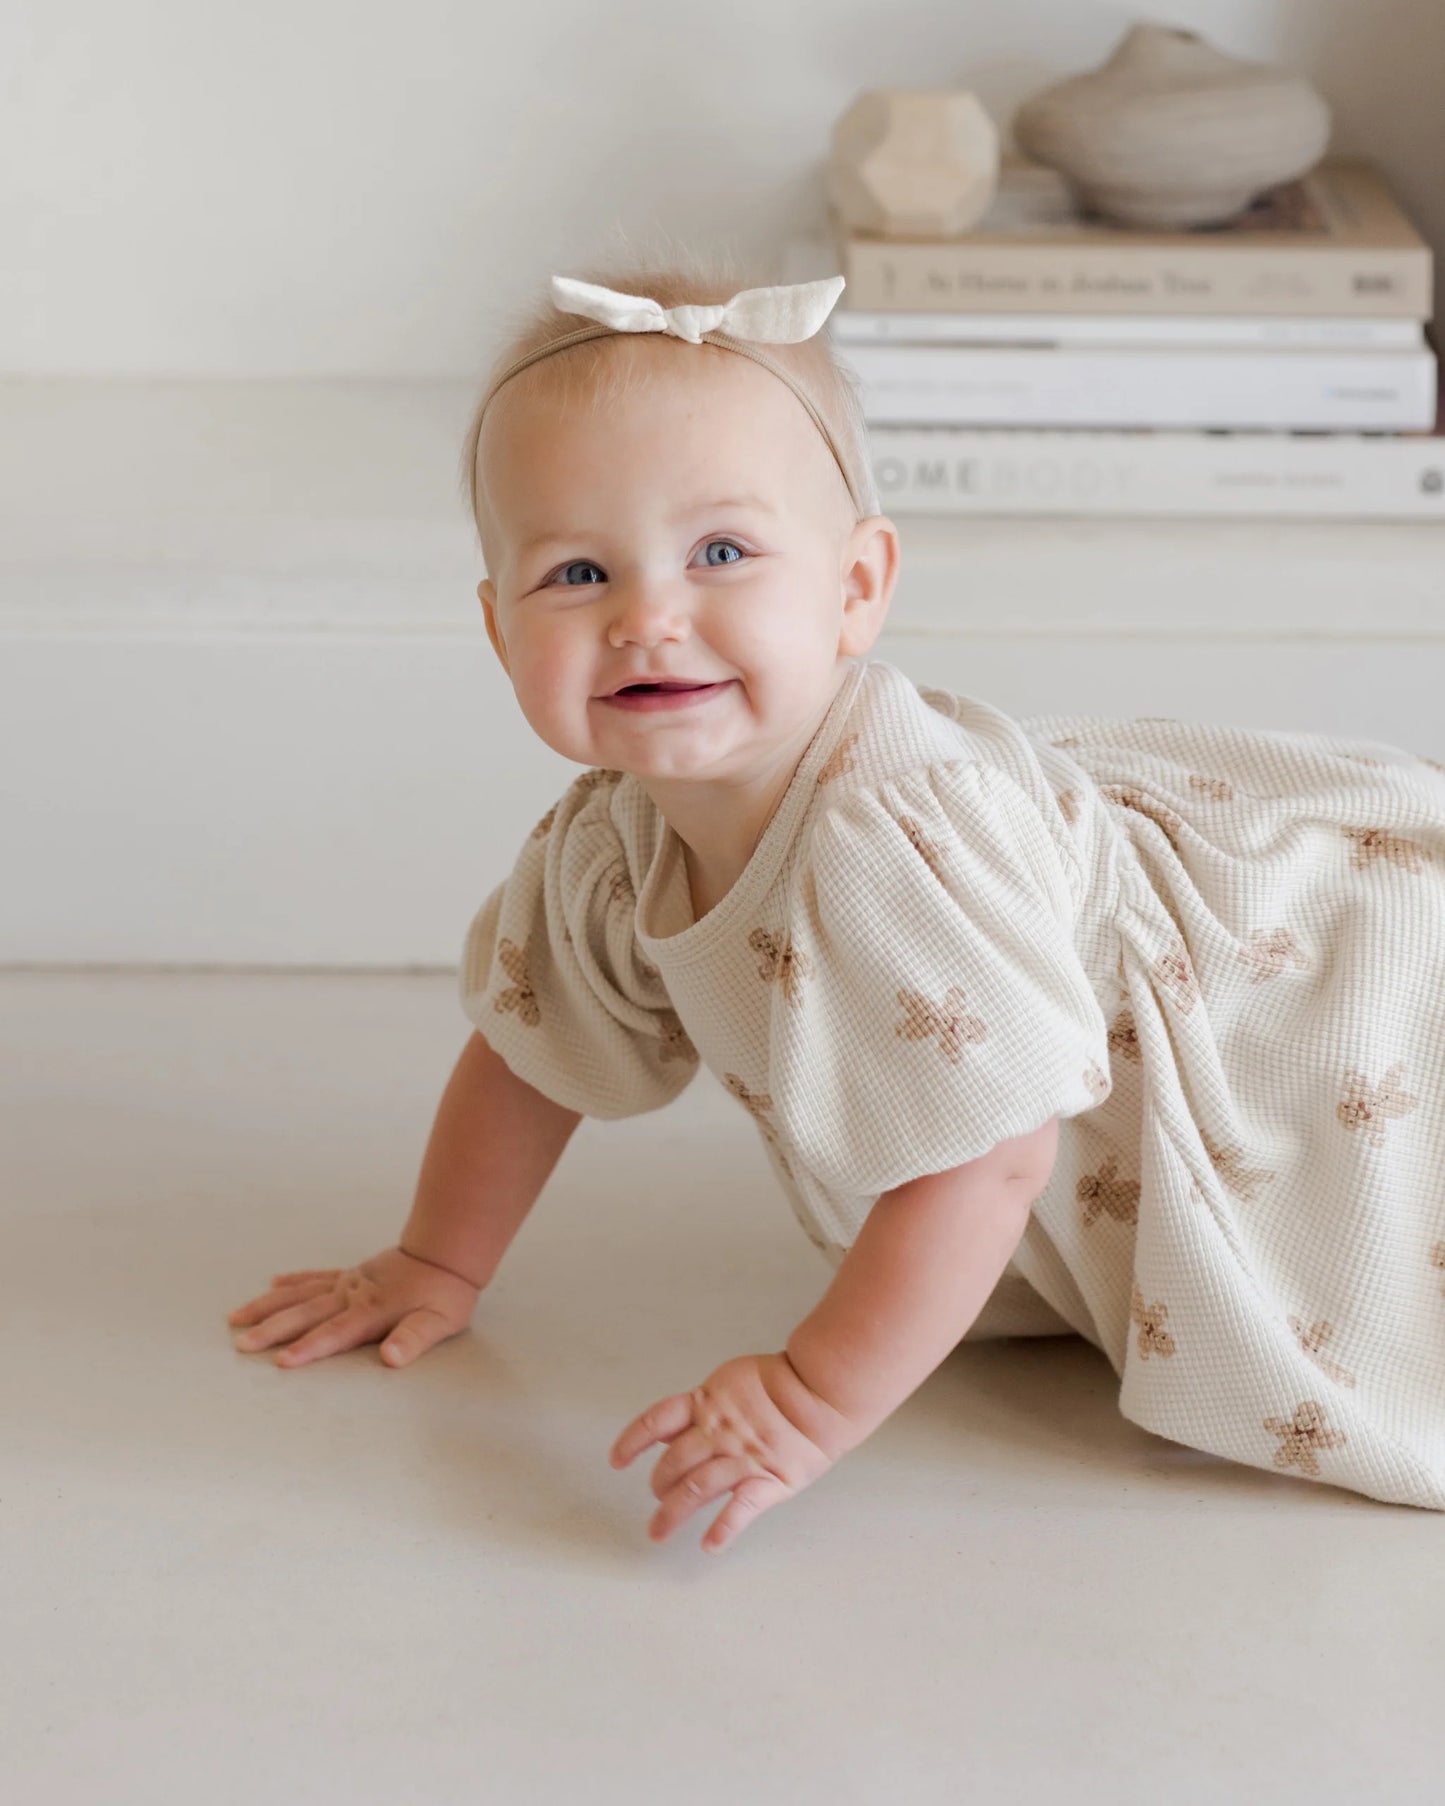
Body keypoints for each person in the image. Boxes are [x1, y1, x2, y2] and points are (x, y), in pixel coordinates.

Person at [228, 249, 1445, 1548]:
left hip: (1290, 992)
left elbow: (991, 1155)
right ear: (494, 626)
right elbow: (531, 1054)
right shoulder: (610, 833)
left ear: (856, 587)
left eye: (720, 551)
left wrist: (807, 1397)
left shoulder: (880, 832)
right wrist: (435, 1259)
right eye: (576, 574)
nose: (647, 615)